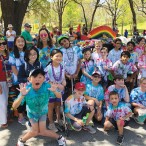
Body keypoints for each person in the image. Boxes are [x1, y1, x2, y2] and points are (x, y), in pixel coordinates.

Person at [12, 69, 66, 146]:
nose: (37, 79)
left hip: (43, 113)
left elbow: (59, 96)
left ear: (44, 79)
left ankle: (60, 138)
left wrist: (55, 91)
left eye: (40, 77)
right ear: (29, 79)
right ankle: (21, 141)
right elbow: (14, 106)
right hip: (32, 114)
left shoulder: (47, 86)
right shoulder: (26, 89)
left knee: (43, 131)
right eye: (34, 77)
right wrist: (22, 95)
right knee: (35, 132)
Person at [44, 49, 66, 132]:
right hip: (50, 90)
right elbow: (46, 80)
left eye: (60, 56)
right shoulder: (48, 68)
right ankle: (51, 123)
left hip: (59, 90)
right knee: (50, 106)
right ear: (51, 57)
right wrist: (55, 85)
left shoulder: (62, 66)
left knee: (58, 105)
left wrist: (64, 83)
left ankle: (58, 119)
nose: (59, 58)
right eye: (57, 56)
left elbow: (63, 78)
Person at [8, 36, 26, 125]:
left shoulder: (27, 52)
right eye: (18, 41)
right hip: (18, 80)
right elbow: (13, 68)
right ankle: (20, 116)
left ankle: (24, 113)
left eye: (22, 41)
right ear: (15, 43)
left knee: (25, 98)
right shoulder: (12, 54)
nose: (21, 43)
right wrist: (21, 78)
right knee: (20, 98)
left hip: (27, 79)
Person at [0, 37, 11, 128]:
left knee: (6, 101)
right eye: (0, 44)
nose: (2, 45)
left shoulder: (8, 55)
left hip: (8, 81)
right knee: (2, 102)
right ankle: (3, 121)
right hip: (0, 82)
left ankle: (5, 117)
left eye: (3, 43)